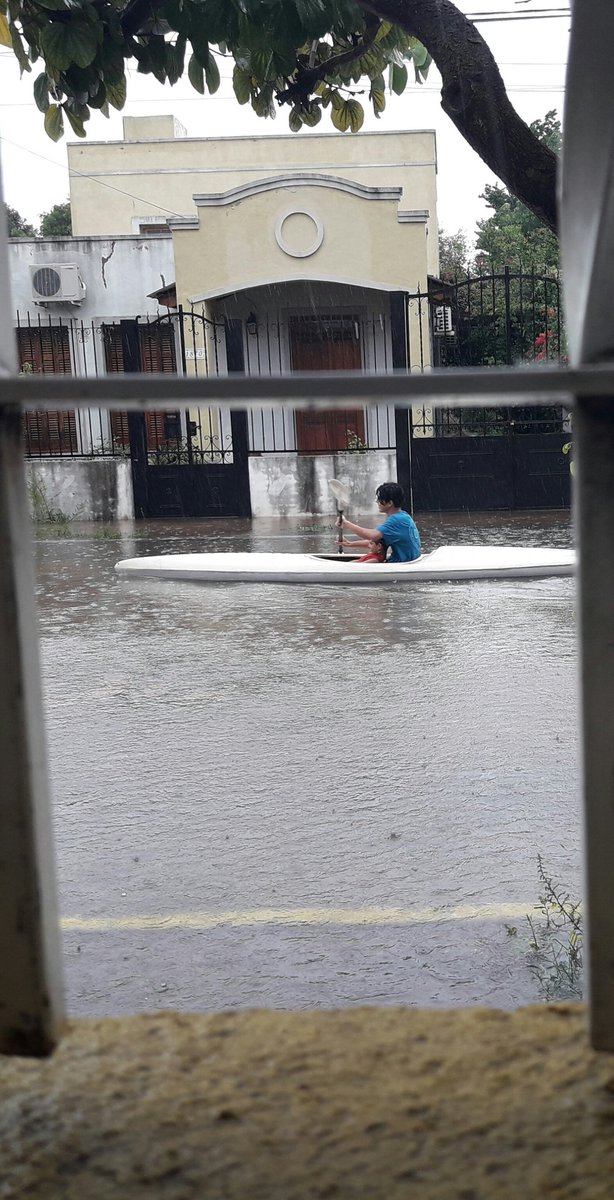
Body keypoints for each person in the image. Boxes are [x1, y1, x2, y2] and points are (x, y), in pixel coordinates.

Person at [337, 482, 421, 563]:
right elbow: (376, 543)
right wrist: (350, 544)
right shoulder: (403, 516)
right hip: (407, 561)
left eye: (380, 499)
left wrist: (347, 524)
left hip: (403, 563)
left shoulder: (397, 520)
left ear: (390, 503)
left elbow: (373, 536)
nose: (377, 502)